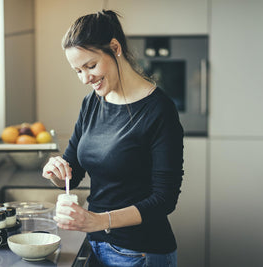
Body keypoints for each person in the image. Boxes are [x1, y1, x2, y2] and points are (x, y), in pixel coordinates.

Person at [42, 10, 184, 267]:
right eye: (78, 71)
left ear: (115, 48)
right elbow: (71, 175)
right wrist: (55, 170)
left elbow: (164, 199)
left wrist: (99, 220)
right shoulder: (92, 103)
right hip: (96, 245)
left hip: (140, 253)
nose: (85, 78)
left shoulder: (159, 110)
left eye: (91, 66)